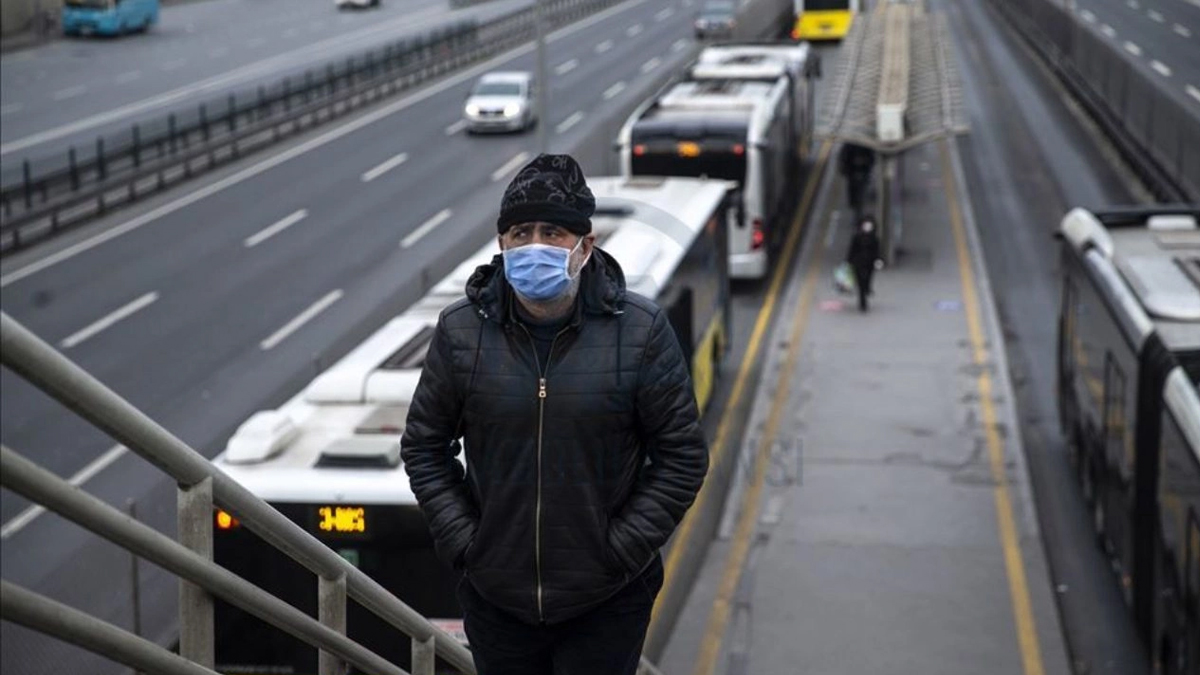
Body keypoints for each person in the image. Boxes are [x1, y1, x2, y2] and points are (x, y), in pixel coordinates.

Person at [400, 153, 709, 675]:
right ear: (501, 244)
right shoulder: (460, 332)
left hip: (606, 603)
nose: (534, 246)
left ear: (586, 246)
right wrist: (470, 546)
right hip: (499, 604)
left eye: (553, 232)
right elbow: (424, 448)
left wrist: (619, 550)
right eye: (520, 233)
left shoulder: (641, 332)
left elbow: (682, 458)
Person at [845, 215, 883, 312]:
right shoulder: (857, 238)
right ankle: (863, 302)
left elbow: (877, 251)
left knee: (868, 277)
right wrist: (848, 261)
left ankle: (867, 288)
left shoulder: (874, 239)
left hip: (870, 261)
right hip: (858, 262)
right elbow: (852, 250)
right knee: (860, 281)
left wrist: (878, 259)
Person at [838, 142, 875, 219]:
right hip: (852, 173)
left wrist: (865, 163)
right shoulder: (849, 146)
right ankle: (854, 205)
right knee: (853, 191)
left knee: (863, 190)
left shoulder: (866, 145)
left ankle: (859, 207)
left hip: (863, 172)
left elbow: (872, 159)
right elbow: (843, 158)